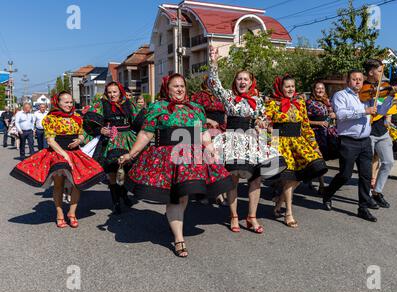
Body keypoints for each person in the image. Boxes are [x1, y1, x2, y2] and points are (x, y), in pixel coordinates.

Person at [120, 73, 233, 258]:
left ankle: (176, 221)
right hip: (168, 157)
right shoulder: (158, 107)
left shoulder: (196, 108)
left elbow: (203, 133)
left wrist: (212, 150)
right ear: (167, 89)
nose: (180, 89)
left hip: (193, 158)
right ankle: (179, 238)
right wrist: (131, 154)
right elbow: (146, 134)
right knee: (175, 197)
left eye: (182, 86)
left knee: (183, 195)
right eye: (175, 86)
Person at [208, 46, 286, 234]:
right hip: (233, 140)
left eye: (246, 79)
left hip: (252, 140)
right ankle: (234, 216)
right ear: (235, 81)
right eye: (239, 78)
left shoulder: (258, 100)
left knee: (256, 179)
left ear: (251, 82)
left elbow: (264, 118)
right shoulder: (228, 96)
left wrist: (262, 122)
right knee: (233, 179)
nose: (242, 81)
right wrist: (214, 61)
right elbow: (213, 83)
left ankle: (251, 217)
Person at [10, 92, 105, 228]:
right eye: (66, 102)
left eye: (71, 102)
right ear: (58, 103)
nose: (69, 105)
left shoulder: (77, 117)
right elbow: (50, 140)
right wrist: (64, 155)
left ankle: (72, 213)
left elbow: (82, 134)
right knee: (59, 184)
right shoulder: (51, 118)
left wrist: (79, 140)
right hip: (57, 153)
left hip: (75, 152)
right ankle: (60, 213)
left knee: (77, 183)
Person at [322, 70, 396, 222]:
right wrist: (364, 111)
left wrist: (390, 102)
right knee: (345, 175)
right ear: (348, 81)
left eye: (360, 79)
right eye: (354, 79)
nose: (357, 82)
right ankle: (327, 194)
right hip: (348, 141)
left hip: (365, 140)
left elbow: (379, 111)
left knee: (366, 176)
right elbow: (341, 114)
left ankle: (363, 207)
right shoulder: (340, 95)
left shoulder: (368, 96)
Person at [266, 75, 327, 228]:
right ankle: (289, 213)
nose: (290, 89)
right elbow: (267, 123)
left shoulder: (300, 103)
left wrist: (314, 146)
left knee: (305, 173)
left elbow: (305, 126)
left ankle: (280, 200)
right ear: (281, 88)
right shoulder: (272, 103)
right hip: (282, 143)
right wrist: (271, 144)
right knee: (289, 177)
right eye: (287, 86)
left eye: (292, 86)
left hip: (299, 142)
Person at [83, 82, 140, 215]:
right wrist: (100, 129)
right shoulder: (101, 104)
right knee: (112, 173)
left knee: (126, 171)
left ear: (120, 92)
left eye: (114, 92)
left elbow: (139, 120)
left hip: (127, 140)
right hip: (110, 142)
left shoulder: (129, 103)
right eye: (109, 92)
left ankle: (124, 195)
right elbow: (89, 121)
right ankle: (116, 203)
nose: (112, 95)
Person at [364, 59, 397, 208]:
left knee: (388, 162)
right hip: (367, 132)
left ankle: (377, 192)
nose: (383, 74)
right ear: (371, 72)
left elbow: (391, 106)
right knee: (367, 165)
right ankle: (366, 196)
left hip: (382, 131)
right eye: (380, 71)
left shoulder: (386, 87)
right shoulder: (362, 88)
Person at [191, 76, 228, 206]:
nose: (212, 84)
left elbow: (225, 112)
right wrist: (209, 121)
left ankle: (220, 192)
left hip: (221, 130)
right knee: (205, 162)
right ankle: (202, 193)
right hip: (204, 129)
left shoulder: (222, 95)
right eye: (210, 82)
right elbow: (194, 114)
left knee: (220, 161)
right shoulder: (198, 96)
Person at [306, 81, 339, 193]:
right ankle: (321, 184)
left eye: (322, 89)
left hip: (327, 134)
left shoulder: (327, 101)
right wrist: (319, 123)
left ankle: (309, 178)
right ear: (313, 90)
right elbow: (304, 121)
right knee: (319, 159)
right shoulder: (309, 102)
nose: (320, 91)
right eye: (318, 89)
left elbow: (330, 117)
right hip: (314, 134)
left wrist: (333, 116)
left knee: (321, 158)